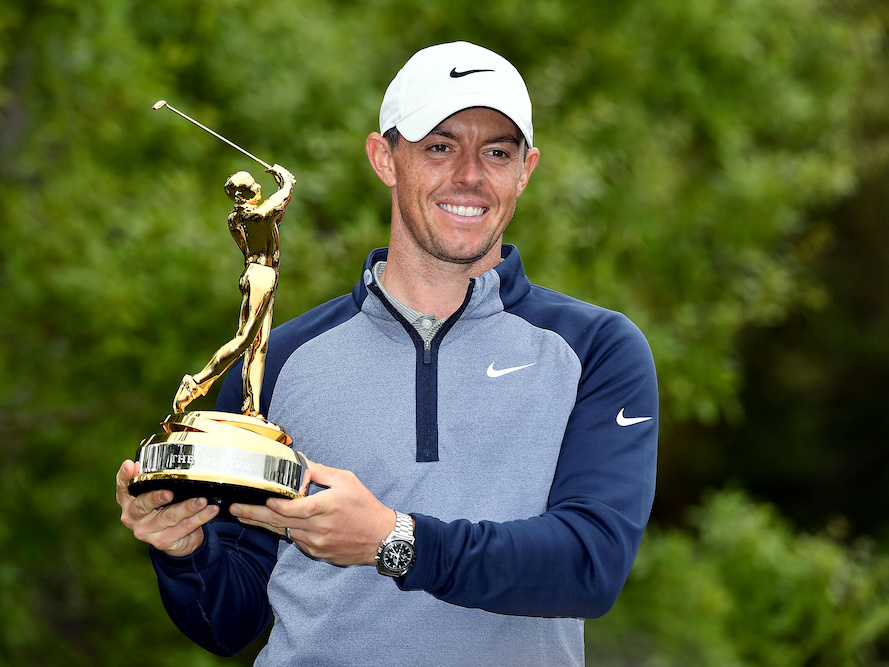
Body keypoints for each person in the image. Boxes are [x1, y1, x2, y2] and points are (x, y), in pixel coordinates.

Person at [116, 41, 658, 666]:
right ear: (385, 159)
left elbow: (589, 565)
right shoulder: (283, 358)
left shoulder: (596, 348)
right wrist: (183, 552)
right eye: (439, 146)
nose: (471, 176)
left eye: (497, 152)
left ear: (526, 170)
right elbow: (230, 621)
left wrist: (392, 539)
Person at [172, 165, 295, 416]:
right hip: (261, 275)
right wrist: (285, 183)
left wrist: (285, 187)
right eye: (252, 185)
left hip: (262, 275)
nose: (258, 186)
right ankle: (196, 383)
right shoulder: (252, 217)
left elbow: (275, 214)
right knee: (245, 340)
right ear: (240, 196)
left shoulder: (241, 218)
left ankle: (252, 408)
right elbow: (275, 206)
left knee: (257, 347)